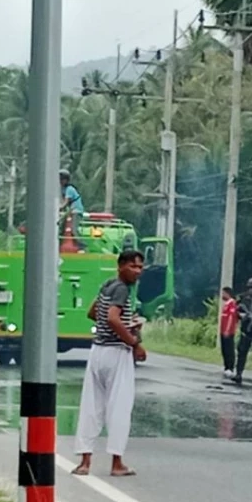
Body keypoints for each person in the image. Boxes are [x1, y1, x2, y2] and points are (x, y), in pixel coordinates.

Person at [72, 249, 147, 478]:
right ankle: (117, 463)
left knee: (91, 406)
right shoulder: (123, 289)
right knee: (120, 407)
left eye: (140, 267)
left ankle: (85, 462)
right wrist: (134, 342)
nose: (138, 272)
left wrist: (123, 322)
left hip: (97, 352)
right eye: (133, 267)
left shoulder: (107, 285)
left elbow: (93, 312)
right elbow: (113, 317)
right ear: (121, 266)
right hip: (116, 353)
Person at [59, 169, 85, 250]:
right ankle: (58, 245)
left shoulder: (69, 189)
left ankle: (82, 247)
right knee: (61, 227)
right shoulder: (62, 189)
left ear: (66, 180)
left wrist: (58, 208)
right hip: (70, 210)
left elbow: (65, 203)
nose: (60, 181)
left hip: (76, 210)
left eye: (62, 180)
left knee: (74, 229)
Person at [219, 286, 239, 378]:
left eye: (223, 293)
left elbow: (231, 318)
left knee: (229, 349)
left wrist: (227, 330)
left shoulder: (232, 303)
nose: (222, 295)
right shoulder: (226, 304)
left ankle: (230, 367)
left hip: (228, 332)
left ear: (228, 293)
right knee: (224, 349)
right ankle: (226, 366)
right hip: (223, 331)